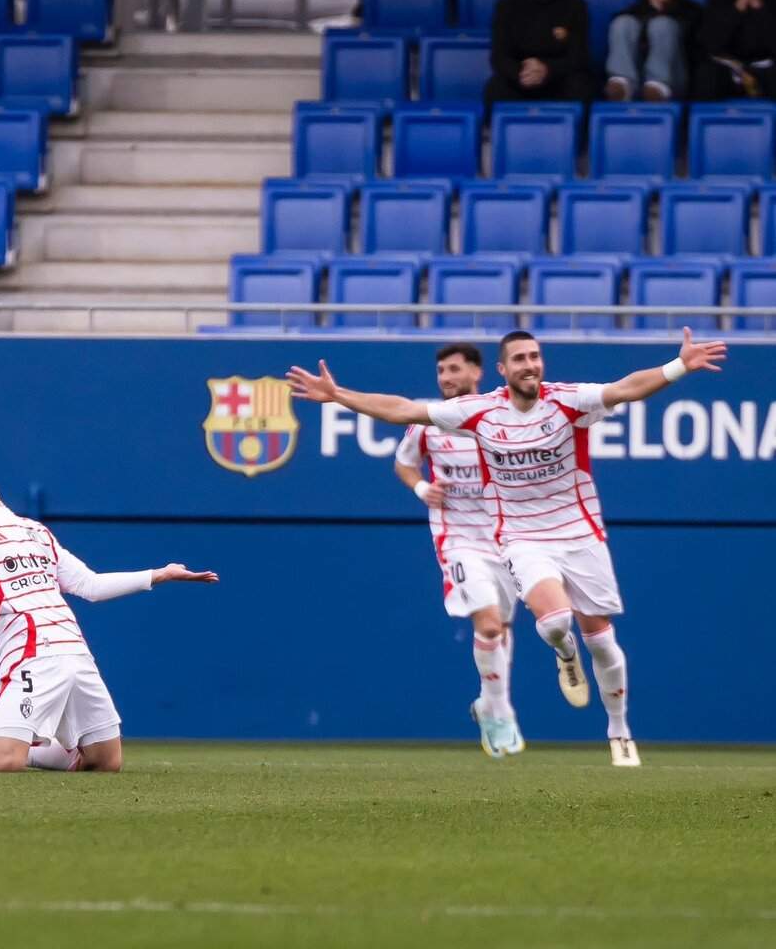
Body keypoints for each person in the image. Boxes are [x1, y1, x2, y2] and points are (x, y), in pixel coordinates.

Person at [287, 327, 729, 767]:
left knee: (602, 641)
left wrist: (677, 366)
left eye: (534, 356)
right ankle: (557, 658)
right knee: (555, 623)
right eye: (519, 359)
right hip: (521, 538)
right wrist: (339, 394)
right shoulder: (478, 412)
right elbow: (403, 410)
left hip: (580, 533)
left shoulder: (569, 401)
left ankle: (619, 731)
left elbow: (626, 388)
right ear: (503, 369)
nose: (529, 365)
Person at [0, 457, 218, 773]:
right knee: (5, 763)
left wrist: (157, 575)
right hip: (29, 651)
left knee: (105, 762)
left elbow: (89, 585)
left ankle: (15, 742)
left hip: (74, 649)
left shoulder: (35, 529)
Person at [393, 344, 524, 759]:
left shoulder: (502, 415)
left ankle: (489, 701)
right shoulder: (430, 421)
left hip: (506, 540)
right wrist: (421, 488)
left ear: (476, 372)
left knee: (501, 628)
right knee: (487, 625)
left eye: (453, 369)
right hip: (459, 540)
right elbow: (404, 462)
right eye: (440, 371)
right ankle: (501, 712)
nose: (445, 377)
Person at [484, 0, 597, 107]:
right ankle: (490, 131)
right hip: (521, 78)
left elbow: (579, 57)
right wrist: (521, 73)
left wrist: (547, 69)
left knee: (580, 86)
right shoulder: (505, 7)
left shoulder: (574, 6)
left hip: (558, 78)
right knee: (496, 87)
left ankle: (580, 131)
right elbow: (499, 57)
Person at [606, 0, 702, 101]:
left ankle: (658, 87)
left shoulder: (692, 12)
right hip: (638, 78)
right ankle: (623, 84)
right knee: (623, 22)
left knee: (661, 25)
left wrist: (663, 14)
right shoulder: (636, 11)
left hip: (676, 77)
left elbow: (694, 50)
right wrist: (652, 10)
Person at [694, 0, 776, 100]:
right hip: (729, 67)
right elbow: (711, 43)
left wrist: (757, 4)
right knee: (706, 75)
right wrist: (740, 4)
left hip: (769, 67)